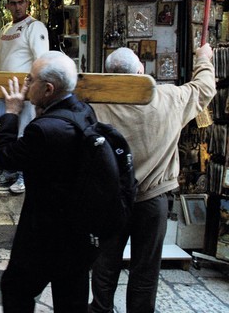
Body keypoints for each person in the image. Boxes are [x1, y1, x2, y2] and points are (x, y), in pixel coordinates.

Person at [88, 43, 215, 313]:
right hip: (153, 199)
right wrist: (203, 59)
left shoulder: (95, 104)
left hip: (111, 200)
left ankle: (100, 310)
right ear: (141, 71)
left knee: (105, 265)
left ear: (109, 76)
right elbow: (204, 88)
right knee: (145, 271)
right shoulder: (169, 99)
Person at [0, 51, 98, 312]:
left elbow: (3, 157)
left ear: (48, 89)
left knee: (16, 289)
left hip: (45, 231)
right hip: (79, 232)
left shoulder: (43, 130)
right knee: (71, 300)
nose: (25, 85)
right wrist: (40, 109)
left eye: (31, 80)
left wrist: (12, 113)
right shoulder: (85, 111)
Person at [0, 0, 49, 194]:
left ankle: (24, 176)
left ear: (27, 3)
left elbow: (41, 60)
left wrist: (35, 90)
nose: (17, 7)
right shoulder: (4, 30)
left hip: (25, 92)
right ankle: (9, 169)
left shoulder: (35, 27)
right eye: (13, 3)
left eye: (21, 2)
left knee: (24, 132)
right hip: (5, 91)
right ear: (7, 6)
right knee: (0, 127)